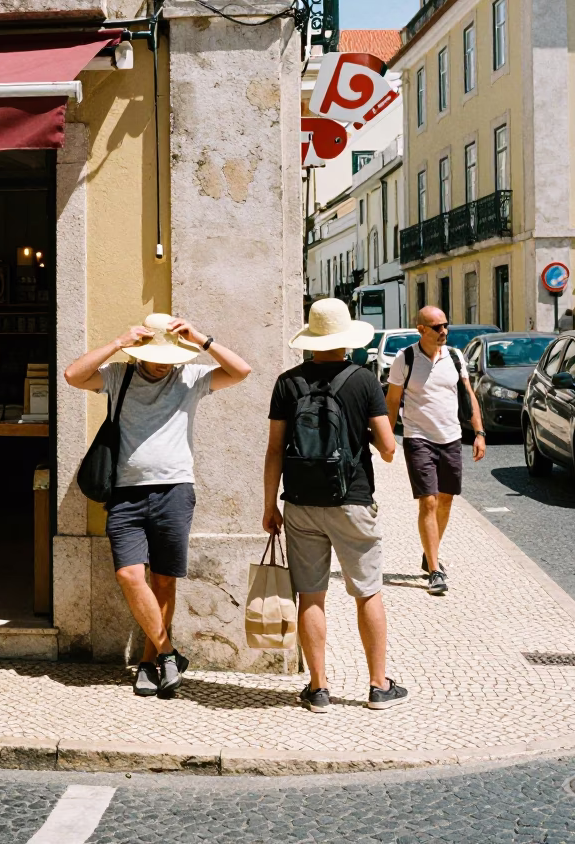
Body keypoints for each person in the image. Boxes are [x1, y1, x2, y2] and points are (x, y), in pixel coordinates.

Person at [64, 313, 251, 698]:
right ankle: (169, 651)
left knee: (164, 580)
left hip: (175, 491)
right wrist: (118, 341)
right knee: (130, 576)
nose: (164, 362)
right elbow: (72, 375)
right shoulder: (119, 376)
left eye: (170, 354)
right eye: (157, 354)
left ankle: (149, 663)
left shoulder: (189, 379)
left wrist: (201, 339)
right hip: (126, 494)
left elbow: (241, 371)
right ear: (142, 351)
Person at [263, 298, 408, 713]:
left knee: (311, 596)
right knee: (368, 593)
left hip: (300, 503)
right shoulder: (362, 380)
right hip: (352, 499)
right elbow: (386, 448)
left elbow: (274, 450)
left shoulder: (287, 383)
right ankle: (379, 686)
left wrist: (269, 504)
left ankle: (318, 688)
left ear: (310, 339)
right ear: (346, 340)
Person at [384, 306, 485, 597]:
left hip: (451, 437)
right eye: (437, 327)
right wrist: (388, 438)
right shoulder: (405, 359)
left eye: (445, 326)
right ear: (421, 330)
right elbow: (392, 402)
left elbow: (468, 394)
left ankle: (430, 553)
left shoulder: (455, 356)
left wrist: (479, 433)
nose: (444, 331)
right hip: (418, 438)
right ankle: (435, 570)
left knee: (445, 501)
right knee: (428, 501)